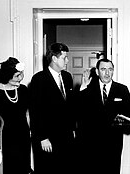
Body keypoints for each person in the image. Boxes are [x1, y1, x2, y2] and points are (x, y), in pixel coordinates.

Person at [77, 58, 130, 173]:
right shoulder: (88, 88)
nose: (107, 73)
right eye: (103, 69)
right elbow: (78, 111)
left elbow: (129, 112)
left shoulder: (122, 89)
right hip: (91, 143)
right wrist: (83, 87)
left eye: (110, 69)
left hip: (113, 141)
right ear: (97, 72)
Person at [28, 42, 76, 173]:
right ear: (54, 58)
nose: (67, 60)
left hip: (66, 137)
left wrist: (72, 129)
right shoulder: (39, 79)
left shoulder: (67, 77)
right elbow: (35, 111)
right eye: (64, 57)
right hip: (47, 138)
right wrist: (42, 137)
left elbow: (70, 106)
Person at [0, 57, 31, 174]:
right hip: (6, 139)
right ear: (7, 76)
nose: (21, 78)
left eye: (21, 74)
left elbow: (28, 114)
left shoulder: (23, 90)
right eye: (17, 75)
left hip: (23, 136)